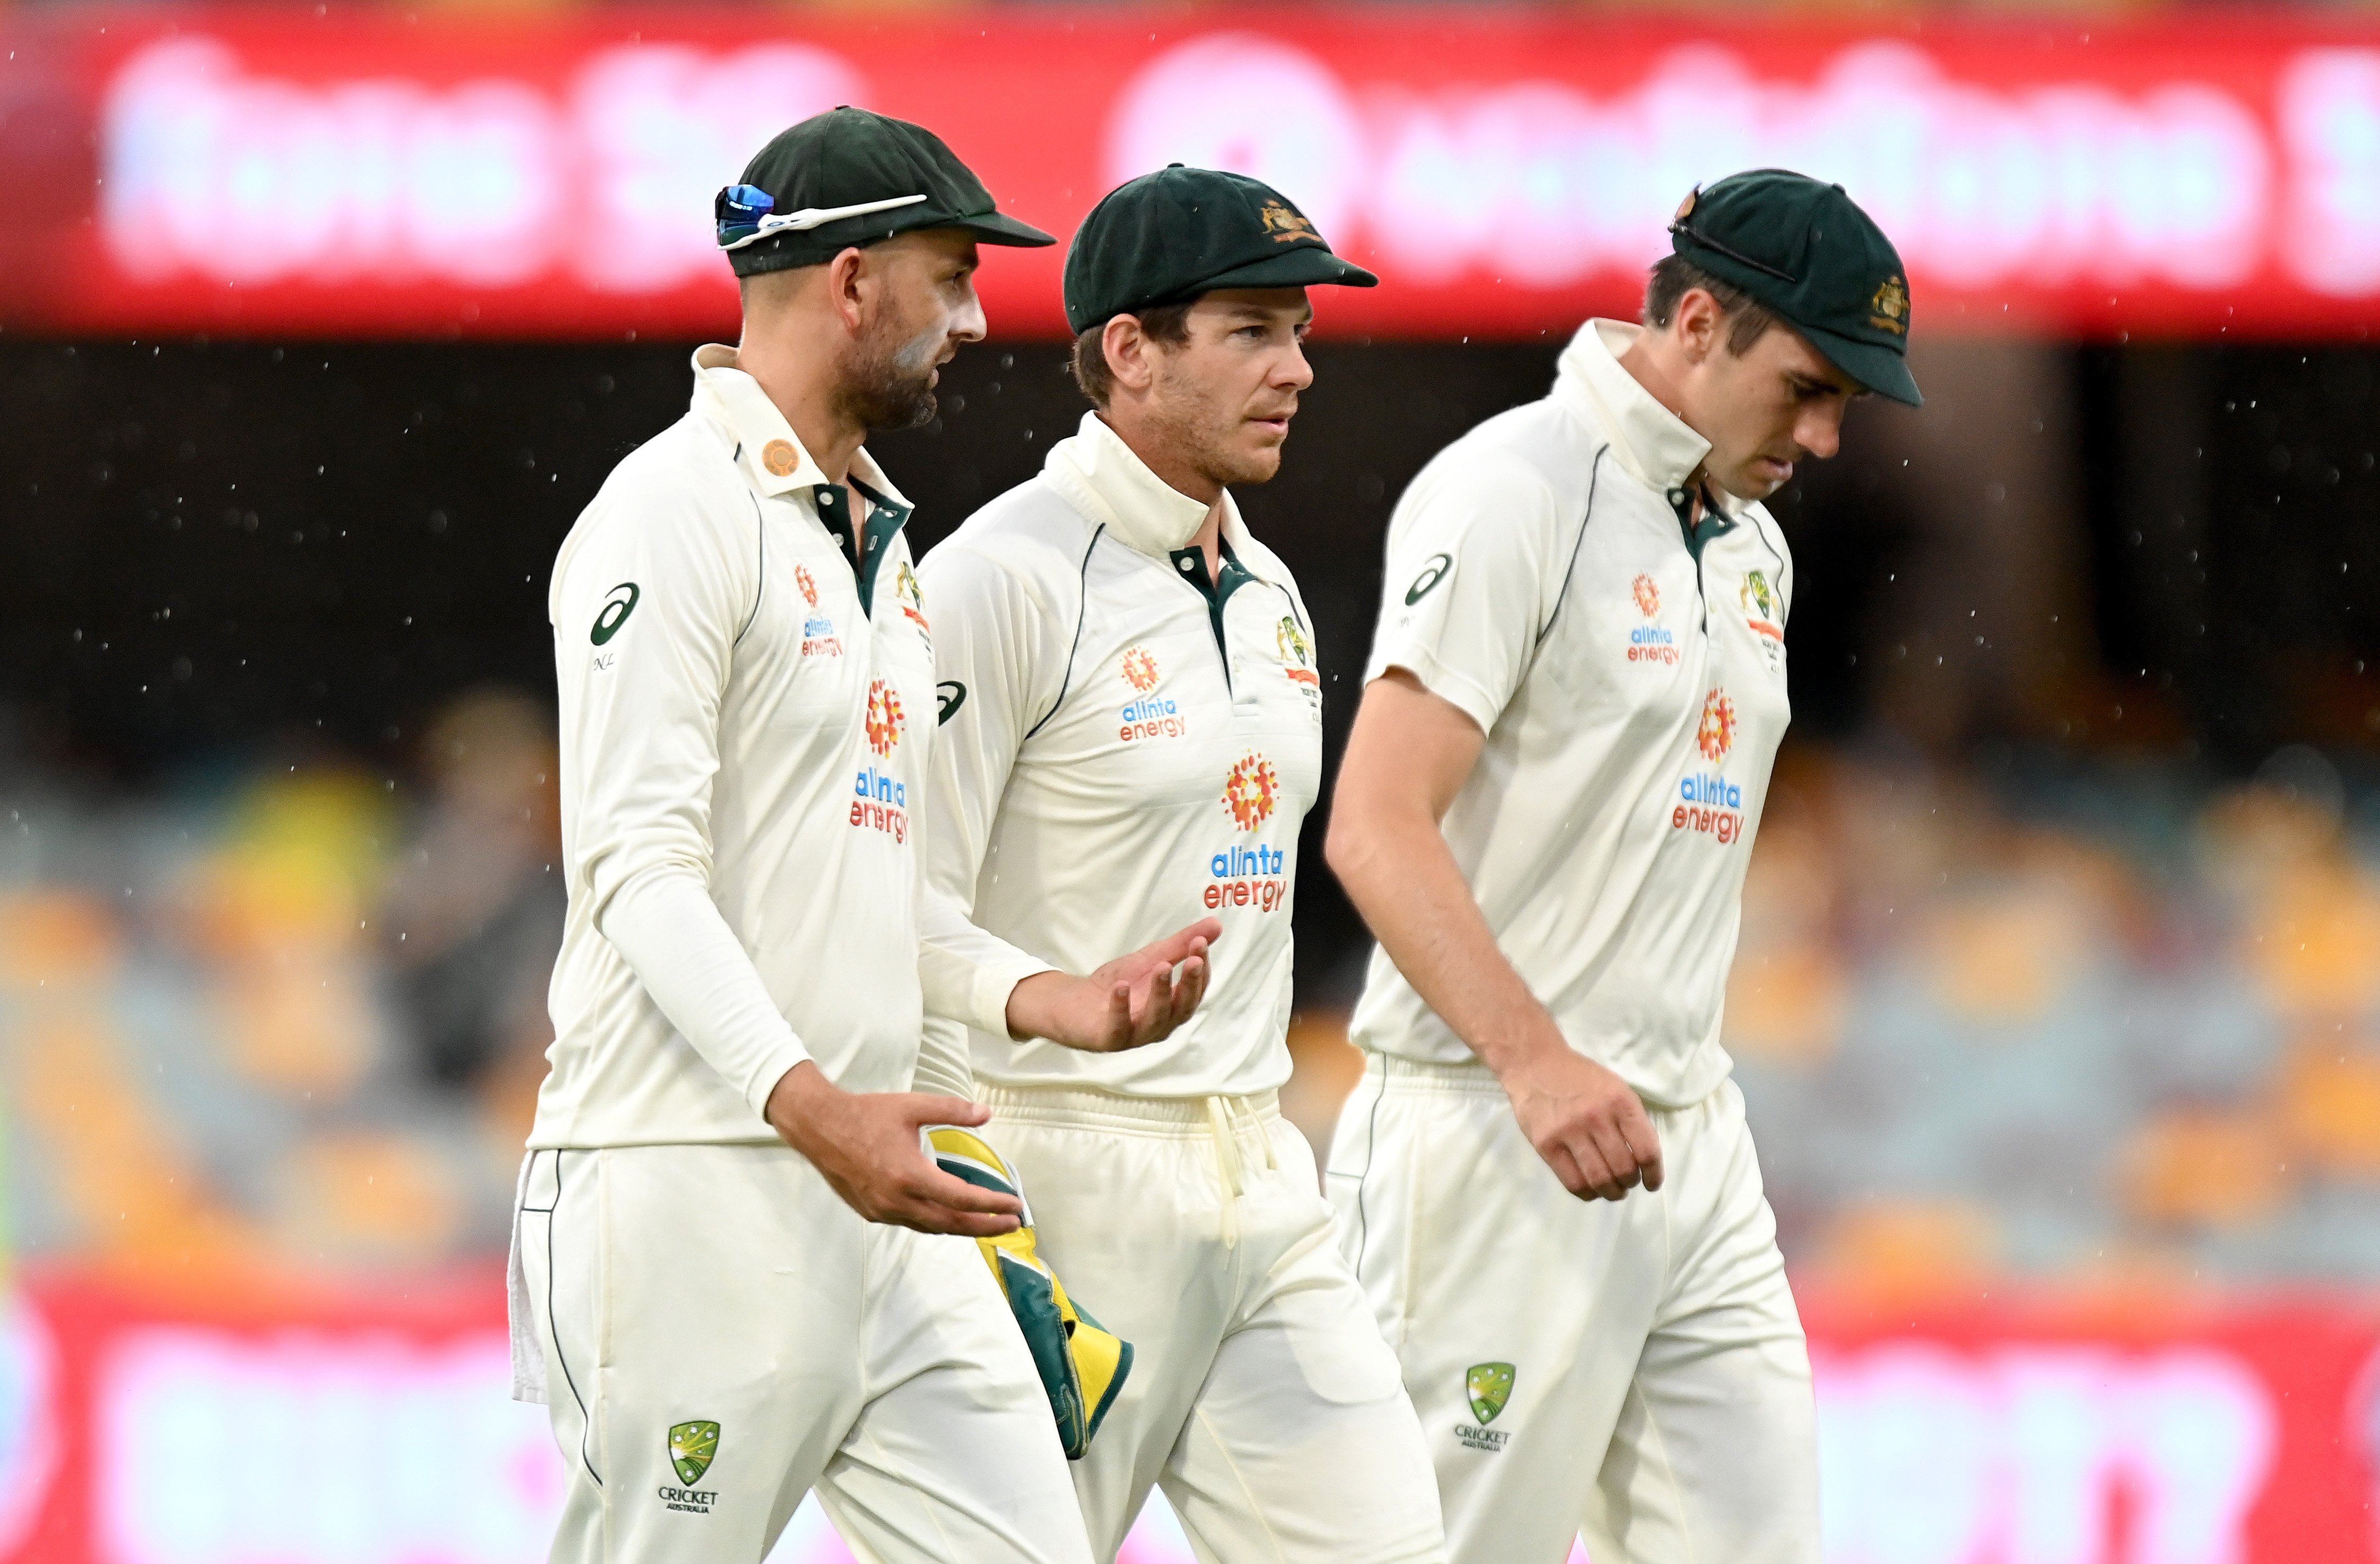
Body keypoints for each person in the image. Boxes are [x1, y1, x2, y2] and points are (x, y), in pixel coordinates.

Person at [510, 109, 1220, 1564]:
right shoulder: (669, 513)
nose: (971, 319)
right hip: (687, 1181)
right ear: (851, 282)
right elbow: (636, 869)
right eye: (950, 277)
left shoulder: (880, 547)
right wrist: (811, 1105)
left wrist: (1041, 1002)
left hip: (883, 1204)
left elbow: (870, 890)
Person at [1323, 169, 1923, 1564]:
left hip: (1687, 1138)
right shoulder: (1515, 491)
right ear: (1699, 322)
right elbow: (1374, 819)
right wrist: (1537, 1060)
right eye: (1808, 388)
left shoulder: (1754, 545)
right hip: (1492, 1131)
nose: (1826, 438)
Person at [916, 165, 1446, 1564]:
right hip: (1051, 1177)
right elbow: (874, 903)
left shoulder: (1269, 593)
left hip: (1259, 1171)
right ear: (1131, 353)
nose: (1298, 369)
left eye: (1304, 333)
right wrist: (1052, 998)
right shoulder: (1001, 579)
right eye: (1255, 330)